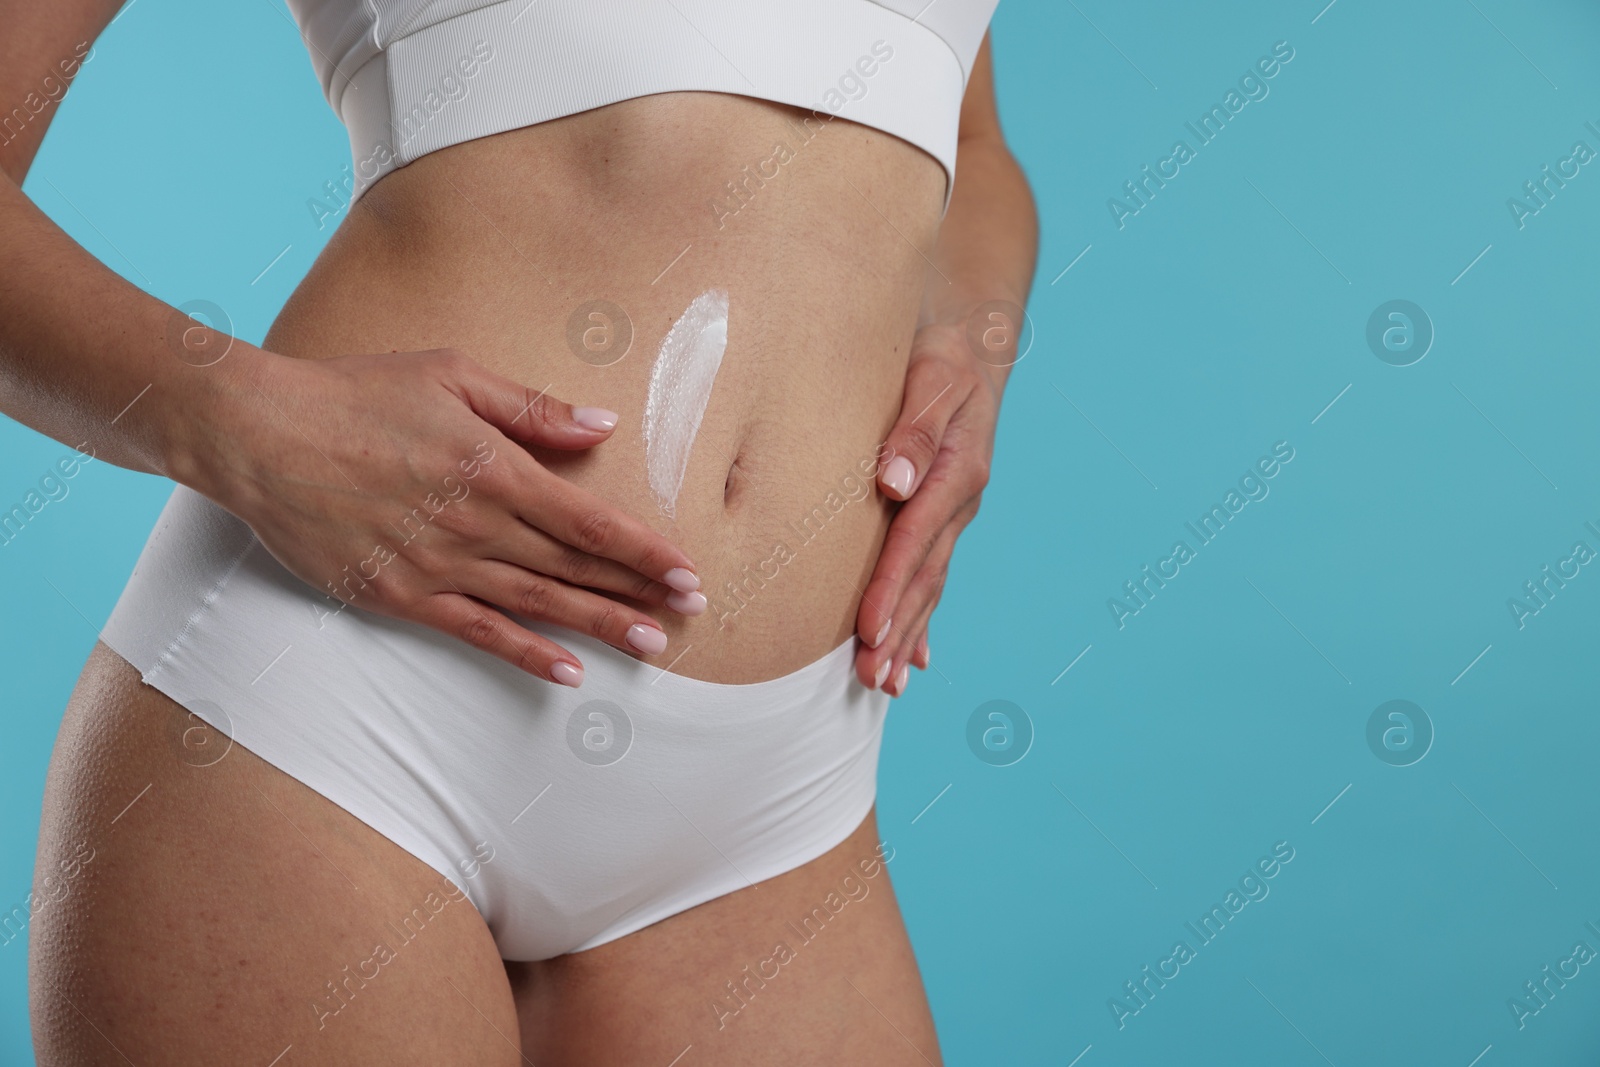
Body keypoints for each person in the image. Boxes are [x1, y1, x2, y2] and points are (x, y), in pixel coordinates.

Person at [3, 0, 1037, 1062]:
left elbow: (965, 141)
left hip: (779, 789)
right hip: (343, 715)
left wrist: (974, 340)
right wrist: (238, 424)